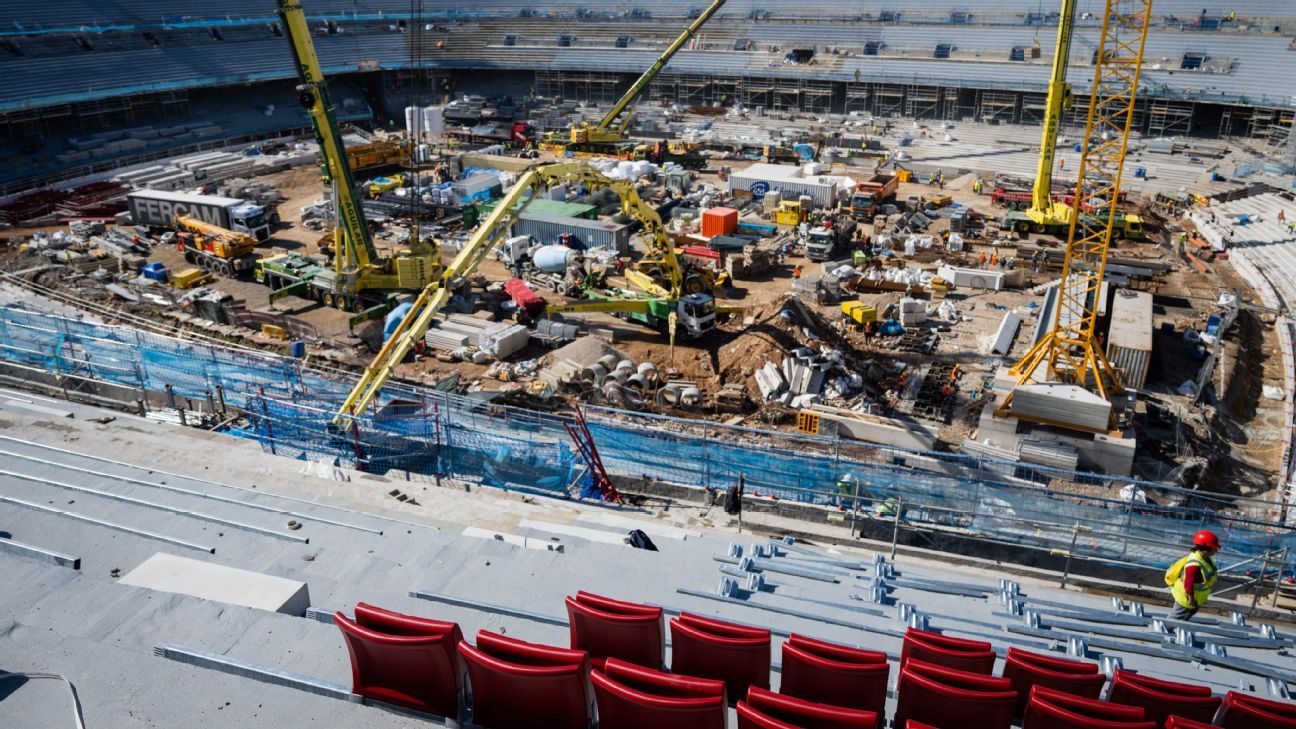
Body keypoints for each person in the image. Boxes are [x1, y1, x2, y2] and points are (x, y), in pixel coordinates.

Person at [1165, 530, 1220, 621]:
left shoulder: (1205, 558)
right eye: (1214, 548)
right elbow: (1188, 582)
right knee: (1177, 615)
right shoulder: (1194, 564)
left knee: (1188, 614)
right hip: (1186, 596)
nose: (1216, 550)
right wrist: (1190, 598)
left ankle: (1179, 628)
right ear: (1205, 548)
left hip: (1196, 597)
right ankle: (1164, 629)